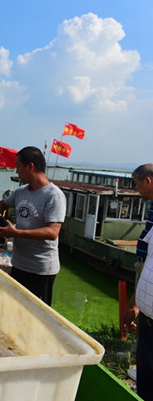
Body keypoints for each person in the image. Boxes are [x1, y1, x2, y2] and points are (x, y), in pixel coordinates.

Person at [0, 146, 66, 306]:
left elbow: (53, 232)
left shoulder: (54, 195)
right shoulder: (20, 192)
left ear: (30, 167)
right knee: (15, 309)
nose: (16, 171)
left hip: (41, 270)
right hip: (19, 265)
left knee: (38, 316)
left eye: (18, 166)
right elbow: (0, 204)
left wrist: (16, 232)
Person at [120, 163, 153, 400]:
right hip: (147, 321)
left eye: (136, 182)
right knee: (146, 382)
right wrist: (135, 303)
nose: (135, 188)